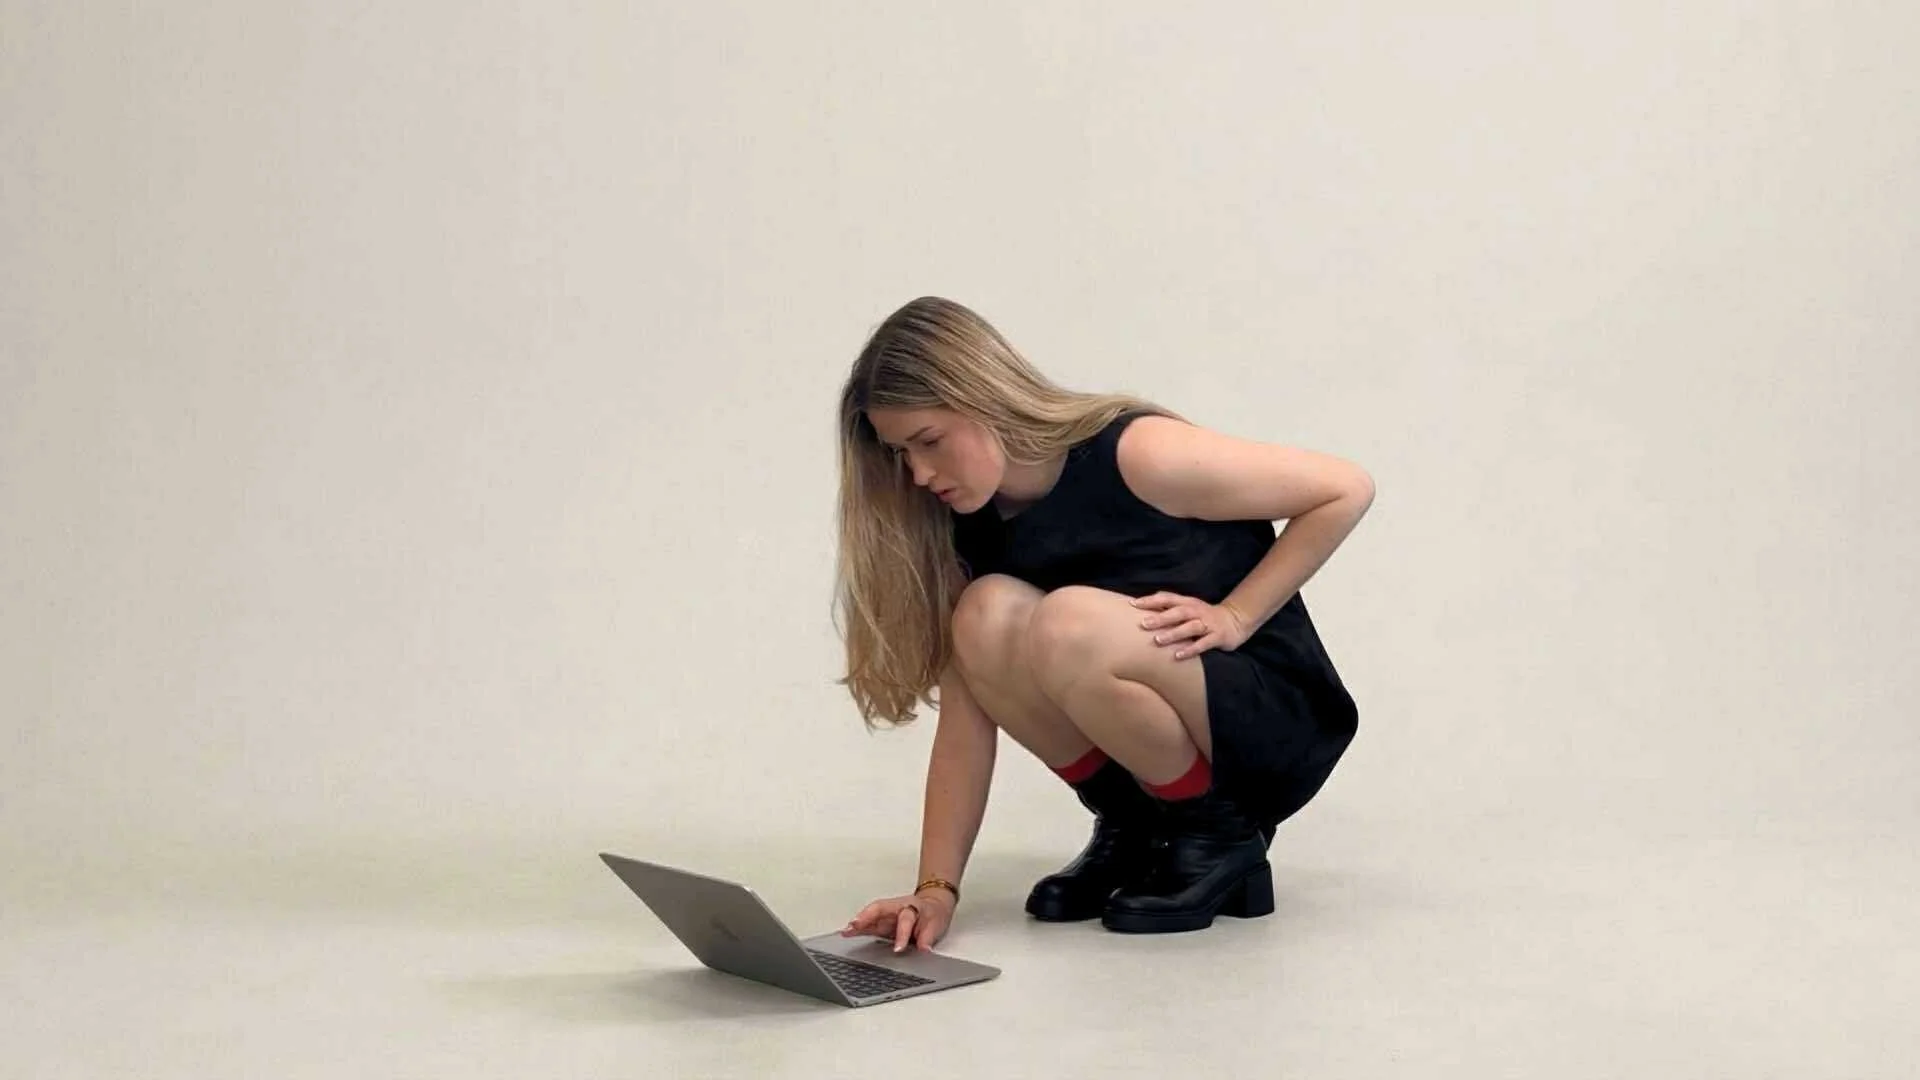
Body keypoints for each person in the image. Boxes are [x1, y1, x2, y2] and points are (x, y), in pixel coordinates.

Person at [833, 296, 1372, 951]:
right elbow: (967, 717)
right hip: (1163, 729)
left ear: (982, 396)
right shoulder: (970, 525)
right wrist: (934, 890)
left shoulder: (1138, 452)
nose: (919, 473)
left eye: (929, 442)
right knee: (984, 616)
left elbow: (1345, 487)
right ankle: (1138, 827)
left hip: (1269, 716)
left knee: (1065, 622)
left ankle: (1220, 835)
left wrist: (1236, 615)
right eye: (900, 454)